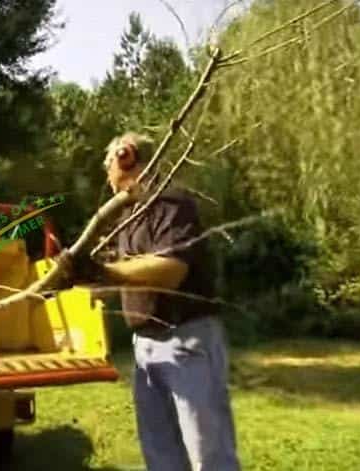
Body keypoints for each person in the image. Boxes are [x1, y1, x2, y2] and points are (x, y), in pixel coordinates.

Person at [58, 132, 241, 471]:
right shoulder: (129, 217)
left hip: (185, 340)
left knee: (208, 456)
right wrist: (79, 275)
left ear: (126, 156)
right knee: (162, 457)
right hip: (146, 347)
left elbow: (171, 270)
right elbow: (126, 275)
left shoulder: (170, 203)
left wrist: (104, 271)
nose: (106, 173)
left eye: (107, 163)